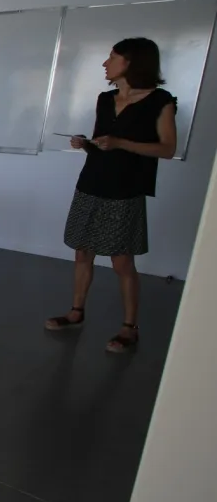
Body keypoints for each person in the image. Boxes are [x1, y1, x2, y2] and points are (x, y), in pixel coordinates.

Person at [45, 38, 177, 353]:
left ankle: (130, 327)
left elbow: (167, 149)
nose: (106, 63)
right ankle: (76, 311)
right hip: (91, 183)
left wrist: (120, 144)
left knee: (121, 261)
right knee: (82, 251)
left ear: (131, 62)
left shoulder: (161, 101)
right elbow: (102, 142)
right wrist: (86, 143)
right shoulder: (105, 99)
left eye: (112, 57)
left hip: (125, 190)